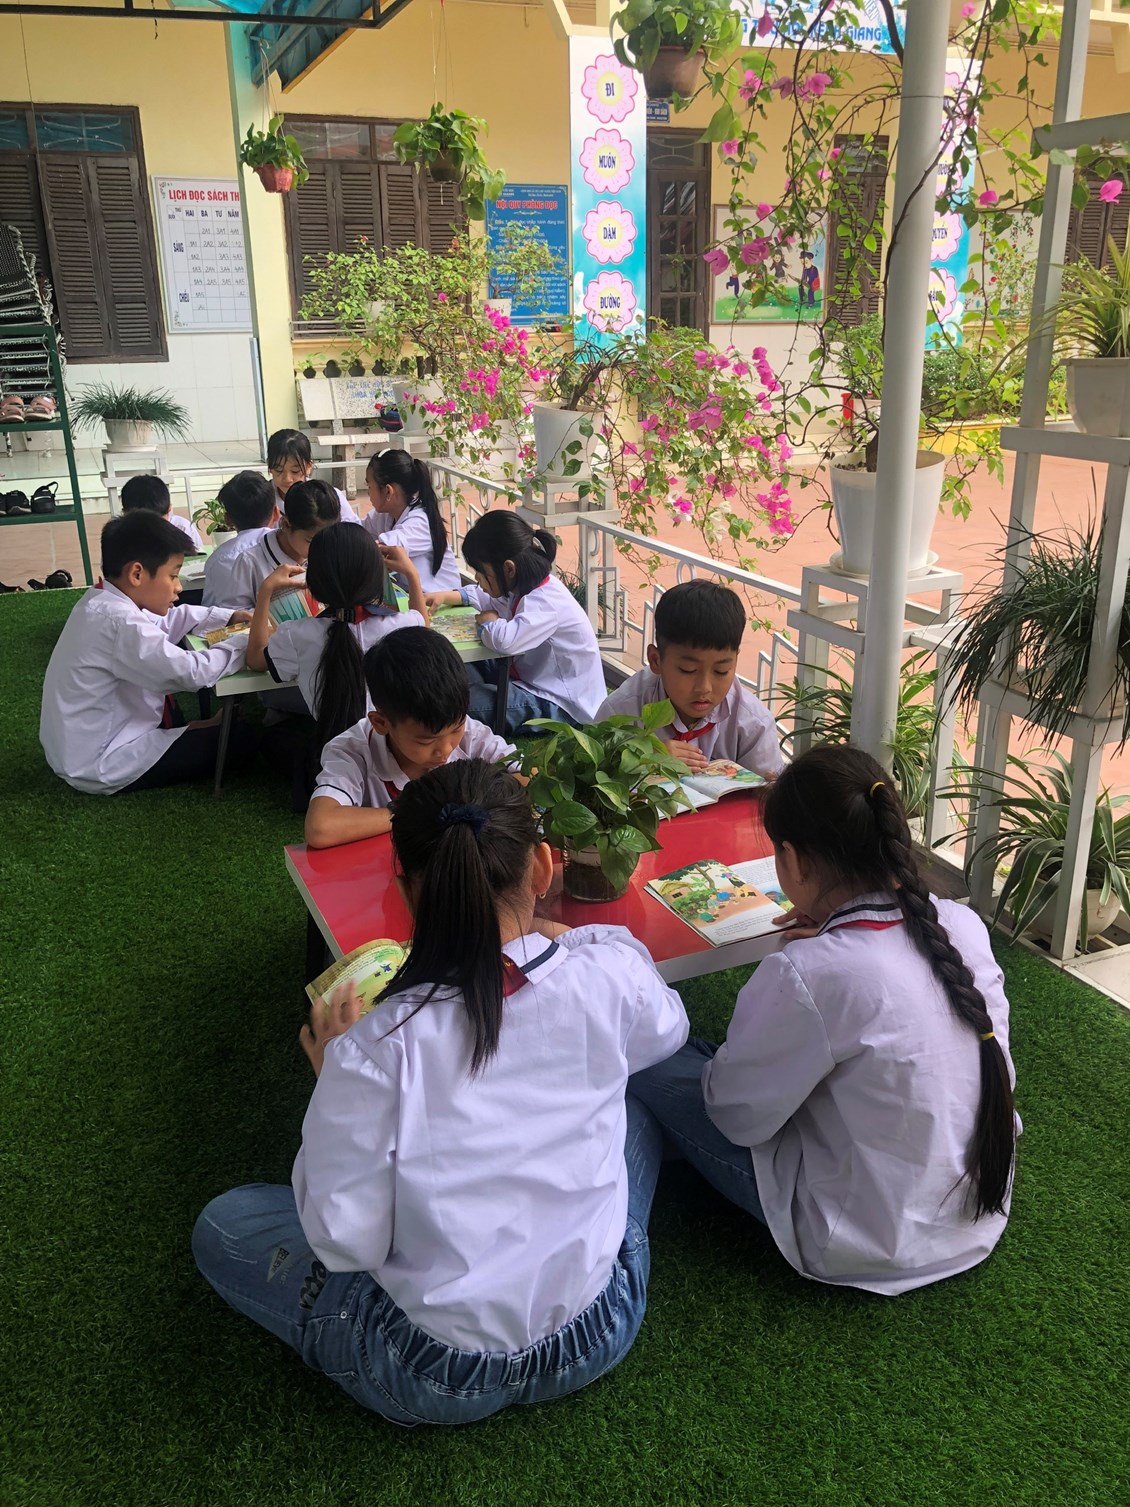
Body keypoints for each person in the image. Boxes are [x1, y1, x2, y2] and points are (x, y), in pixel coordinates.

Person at [194, 759, 689, 1424]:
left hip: (434, 1369)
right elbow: (668, 1030)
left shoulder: (374, 1047)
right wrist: (569, 937)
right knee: (632, 1110)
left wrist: (333, 1086)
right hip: (597, 1328)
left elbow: (347, 1242)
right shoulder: (607, 973)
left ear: (404, 891)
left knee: (223, 1222)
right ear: (545, 868)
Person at [631, 744, 1019, 1295]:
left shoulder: (812, 972)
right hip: (975, 1212)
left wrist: (817, 960)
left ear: (792, 860)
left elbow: (735, 1118)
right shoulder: (961, 925)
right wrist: (833, 936)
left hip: (858, 1238)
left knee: (645, 1056)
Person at [39, 513, 254, 794]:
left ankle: (197, 728)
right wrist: (244, 643)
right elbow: (191, 673)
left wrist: (227, 617)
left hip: (80, 746)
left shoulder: (103, 599)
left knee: (212, 726)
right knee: (243, 740)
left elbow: (167, 621)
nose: (178, 586)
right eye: (173, 575)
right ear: (137, 574)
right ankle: (198, 730)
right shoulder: (119, 622)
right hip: (101, 760)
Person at [305, 626, 515, 848]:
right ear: (381, 723)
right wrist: (416, 812)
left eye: (456, 729)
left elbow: (526, 776)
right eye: (426, 740)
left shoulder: (469, 732)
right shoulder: (352, 751)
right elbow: (321, 828)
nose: (446, 749)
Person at [246, 522, 427, 746]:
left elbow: (255, 659)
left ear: (312, 582)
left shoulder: (296, 634)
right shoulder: (404, 625)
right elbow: (424, 633)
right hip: (399, 750)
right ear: (378, 576)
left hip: (336, 753)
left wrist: (265, 591)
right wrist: (411, 574)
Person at [426, 510, 605, 736]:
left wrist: (489, 621)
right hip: (524, 678)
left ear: (509, 569)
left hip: (558, 702)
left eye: (481, 573)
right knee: (450, 660)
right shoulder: (521, 586)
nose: (478, 580)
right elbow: (486, 597)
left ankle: (474, 691)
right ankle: (474, 688)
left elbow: (505, 641)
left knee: (455, 706)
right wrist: (445, 596)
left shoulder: (546, 602)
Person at [594, 580, 783, 780]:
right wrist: (643, 758)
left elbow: (770, 792)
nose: (704, 688)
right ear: (656, 660)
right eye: (688, 670)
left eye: (721, 671)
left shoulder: (753, 723)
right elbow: (587, 775)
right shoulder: (621, 710)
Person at [219, 478, 341, 612]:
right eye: (310, 541)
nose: (322, 548)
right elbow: (235, 617)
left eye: (328, 540)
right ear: (286, 525)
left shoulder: (331, 553)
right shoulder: (250, 562)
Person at [362, 448, 460, 592]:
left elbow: (384, 549)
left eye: (369, 486)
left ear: (388, 491)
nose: (368, 492)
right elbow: (359, 530)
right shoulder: (385, 515)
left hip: (441, 600)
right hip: (411, 596)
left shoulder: (420, 521)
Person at [202, 471, 279, 608]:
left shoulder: (219, 559)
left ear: (227, 519)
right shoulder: (288, 548)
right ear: (276, 513)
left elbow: (212, 610)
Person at [267, 428, 360, 525]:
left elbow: (353, 529)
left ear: (309, 467)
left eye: (295, 471)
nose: (287, 479)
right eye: (279, 470)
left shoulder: (329, 498)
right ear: (269, 465)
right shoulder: (261, 500)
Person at [120, 473, 202, 553]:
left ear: (169, 509)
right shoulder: (119, 537)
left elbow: (200, 556)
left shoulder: (184, 529)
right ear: (125, 514)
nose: (153, 530)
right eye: (144, 524)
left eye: (158, 523)